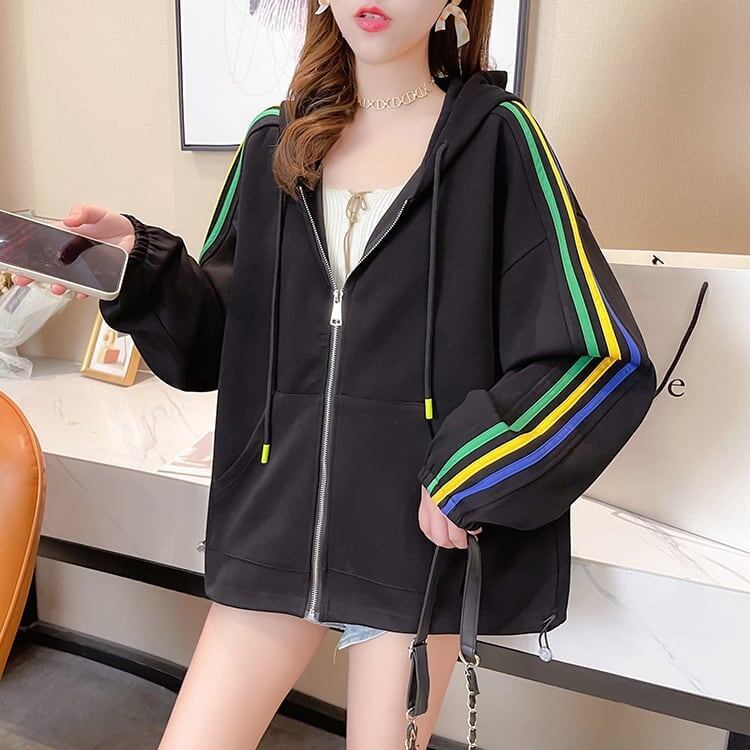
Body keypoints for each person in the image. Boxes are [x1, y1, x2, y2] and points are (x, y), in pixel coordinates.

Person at [15, 1, 657, 747]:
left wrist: (473, 469)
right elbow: (224, 336)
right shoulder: (274, 141)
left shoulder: (498, 140)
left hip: (411, 548)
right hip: (277, 523)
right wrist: (138, 265)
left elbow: (599, 353)